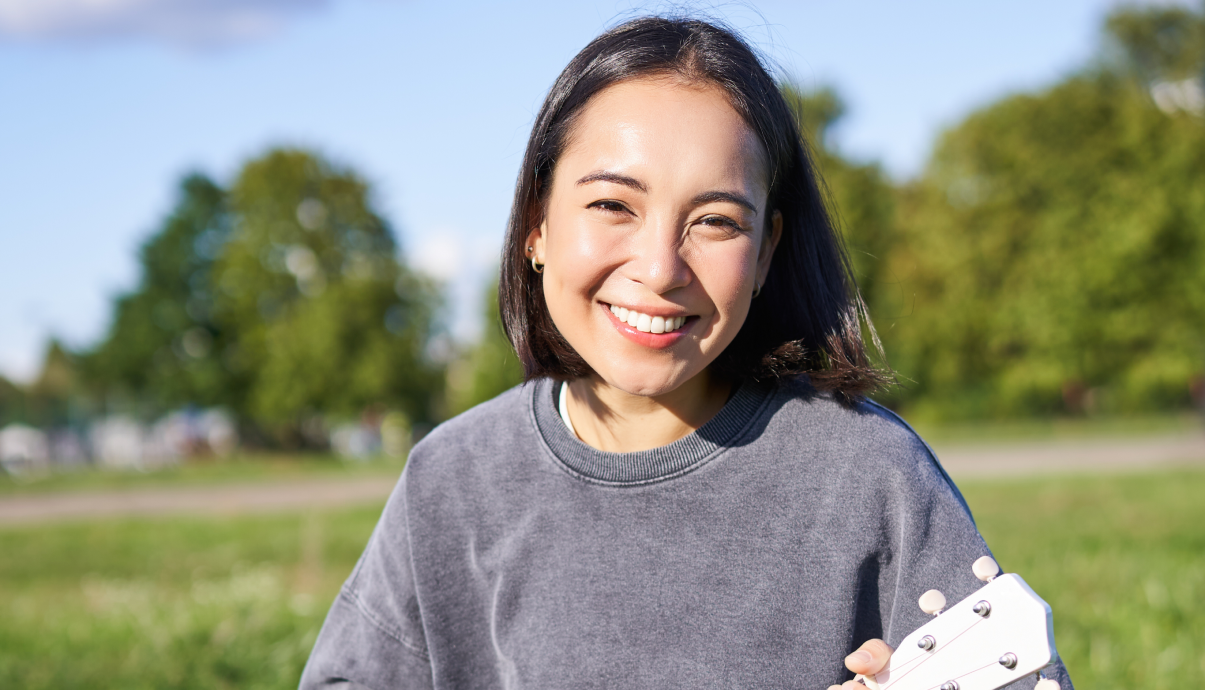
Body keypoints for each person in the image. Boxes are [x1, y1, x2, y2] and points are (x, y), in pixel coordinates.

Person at [301, 16, 1074, 690]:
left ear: (766, 249)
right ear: (536, 223)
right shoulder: (451, 480)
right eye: (612, 205)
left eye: (714, 222)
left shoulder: (868, 475)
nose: (660, 267)